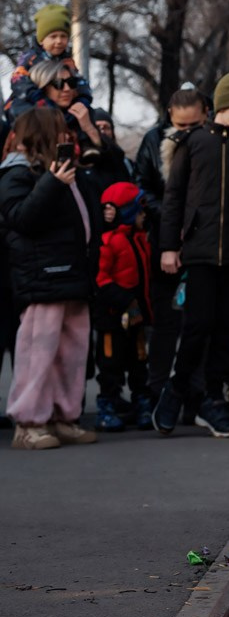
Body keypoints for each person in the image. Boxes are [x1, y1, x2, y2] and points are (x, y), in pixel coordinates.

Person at [154, 72, 229, 438]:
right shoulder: (193, 143)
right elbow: (173, 198)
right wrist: (169, 246)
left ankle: (211, 401)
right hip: (199, 254)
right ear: (222, 106)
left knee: (226, 331)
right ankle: (176, 388)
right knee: (196, 327)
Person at [0, 108, 98, 449]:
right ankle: (28, 423)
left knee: (71, 351)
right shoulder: (17, 173)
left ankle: (63, 416)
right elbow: (21, 218)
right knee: (37, 352)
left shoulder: (65, 171)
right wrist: (52, 183)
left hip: (73, 275)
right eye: (59, 130)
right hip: (41, 279)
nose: (66, 136)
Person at [134, 86, 210, 406]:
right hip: (164, 240)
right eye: (180, 126)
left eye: (194, 126)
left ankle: (197, 392)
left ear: (206, 116)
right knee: (166, 322)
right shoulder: (154, 141)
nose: (187, 133)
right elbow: (142, 186)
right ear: (170, 118)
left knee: (200, 322)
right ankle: (158, 390)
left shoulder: (215, 143)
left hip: (203, 241)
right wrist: (169, 216)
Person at [94, 182, 154, 432]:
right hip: (113, 317)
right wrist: (124, 300)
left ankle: (142, 403)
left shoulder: (140, 240)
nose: (144, 217)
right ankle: (106, 406)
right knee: (110, 365)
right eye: (140, 212)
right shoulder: (110, 242)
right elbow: (101, 279)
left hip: (136, 316)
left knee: (139, 362)